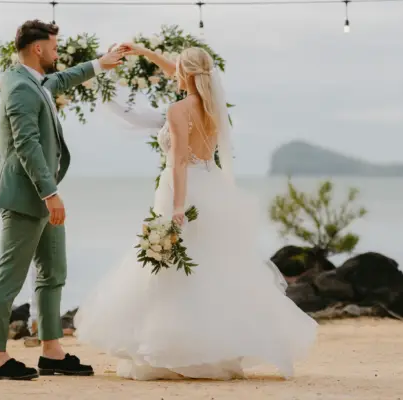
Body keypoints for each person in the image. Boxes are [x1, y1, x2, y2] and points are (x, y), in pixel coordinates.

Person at [74, 44, 317, 380]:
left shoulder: (178, 110)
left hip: (182, 190)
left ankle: (172, 349)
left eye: (177, 70)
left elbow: (178, 161)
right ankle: (218, 348)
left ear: (184, 73)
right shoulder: (214, 107)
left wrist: (177, 207)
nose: (172, 73)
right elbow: (183, 71)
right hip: (212, 186)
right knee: (214, 267)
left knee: (172, 270)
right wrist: (144, 51)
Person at [0, 19, 123, 380]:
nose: (58, 53)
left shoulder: (34, 81)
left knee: (53, 271)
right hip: (26, 196)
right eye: (55, 47)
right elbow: (27, 143)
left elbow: (59, 81)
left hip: (44, 196)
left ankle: (51, 351)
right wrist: (50, 193)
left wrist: (99, 64)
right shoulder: (18, 87)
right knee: (9, 278)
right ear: (38, 48)